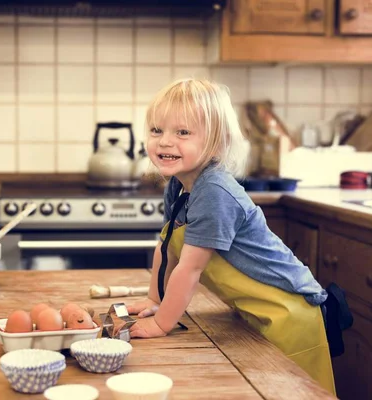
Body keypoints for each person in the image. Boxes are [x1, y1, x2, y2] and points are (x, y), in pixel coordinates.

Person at [126, 78, 335, 394]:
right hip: (254, 310)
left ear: (216, 142)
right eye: (157, 131)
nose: (165, 142)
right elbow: (167, 247)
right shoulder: (178, 185)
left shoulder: (214, 192)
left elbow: (190, 268)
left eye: (182, 132)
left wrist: (160, 324)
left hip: (291, 314)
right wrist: (155, 299)